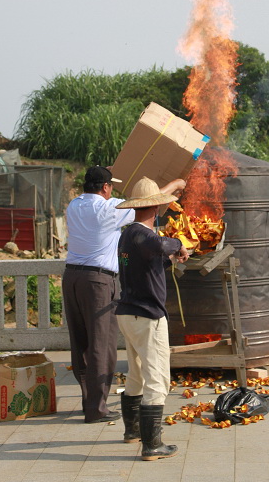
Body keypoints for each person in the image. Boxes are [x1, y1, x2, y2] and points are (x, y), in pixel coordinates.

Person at [63, 165, 186, 424]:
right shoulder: (108, 209)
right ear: (106, 187)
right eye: (110, 187)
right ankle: (97, 409)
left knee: (81, 343)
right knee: (101, 345)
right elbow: (146, 205)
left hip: (71, 277)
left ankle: (90, 402)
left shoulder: (74, 205)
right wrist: (175, 184)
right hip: (97, 281)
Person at [115, 176, 189, 461]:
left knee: (136, 377)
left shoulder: (126, 234)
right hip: (147, 316)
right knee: (157, 380)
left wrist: (171, 257)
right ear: (156, 208)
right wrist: (179, 243)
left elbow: (152, 258)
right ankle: (152, 445)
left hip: (128, 313)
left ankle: (132, 432)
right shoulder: (142, 234)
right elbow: (159, 244)